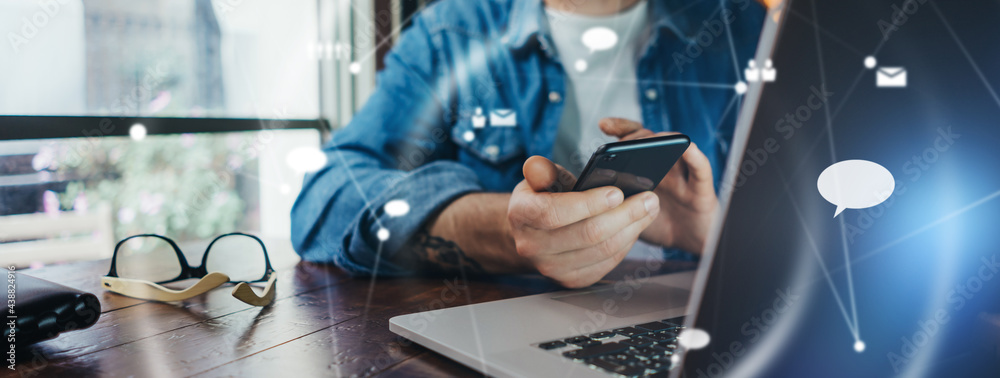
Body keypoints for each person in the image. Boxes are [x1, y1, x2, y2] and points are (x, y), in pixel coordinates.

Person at [291, 0, 771, 288]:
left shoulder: (745, 30)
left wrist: (714, 237)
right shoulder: (452, 30)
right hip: (506, 330)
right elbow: (321, 201)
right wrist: (496, 230)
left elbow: (831, 240)